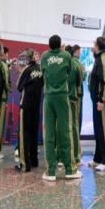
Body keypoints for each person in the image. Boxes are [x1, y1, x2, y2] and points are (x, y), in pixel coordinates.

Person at [41, 35, 81, 181]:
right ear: (60, 45)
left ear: (49, 45)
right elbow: (69, 72)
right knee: (66, 132)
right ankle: (70, 170)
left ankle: (50, 172)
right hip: (63, 97)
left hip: (48, 97)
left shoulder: (44, 56)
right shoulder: (66, 56)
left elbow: (43, 72)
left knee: (49, 134)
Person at [16, 49, 43, 172]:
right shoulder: (41, 69)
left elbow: (18, 86)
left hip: (26, 105)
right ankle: (34, 161)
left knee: (24, 134)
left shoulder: (26, 70)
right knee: (33, 133)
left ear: (28, 58)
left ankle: (24, 164)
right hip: (36, 105)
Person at [89, 36, 105, 172]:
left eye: (94, 44)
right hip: (96, 101)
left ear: (98, 46)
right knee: (98, 130)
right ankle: (98, 158)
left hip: (101, 102)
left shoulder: (103, 60)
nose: (92, 46)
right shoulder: (98, 58)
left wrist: (102, 100)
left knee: (104, 130)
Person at [66, 45, 82, 169]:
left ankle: (73, 156)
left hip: (67, 99)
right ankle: (75, 156)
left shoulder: (72, 65)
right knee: (73, 127)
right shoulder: (76, 65)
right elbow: (79, 83)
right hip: (72, 99)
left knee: (67, 128)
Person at [72, 44, 85, 163]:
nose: (80, 53)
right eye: (79, 51)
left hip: (70, 96)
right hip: (77, 96)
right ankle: (77, 150)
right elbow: (82, 78)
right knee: (77, 121)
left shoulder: (71, 62)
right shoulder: (77, 64)